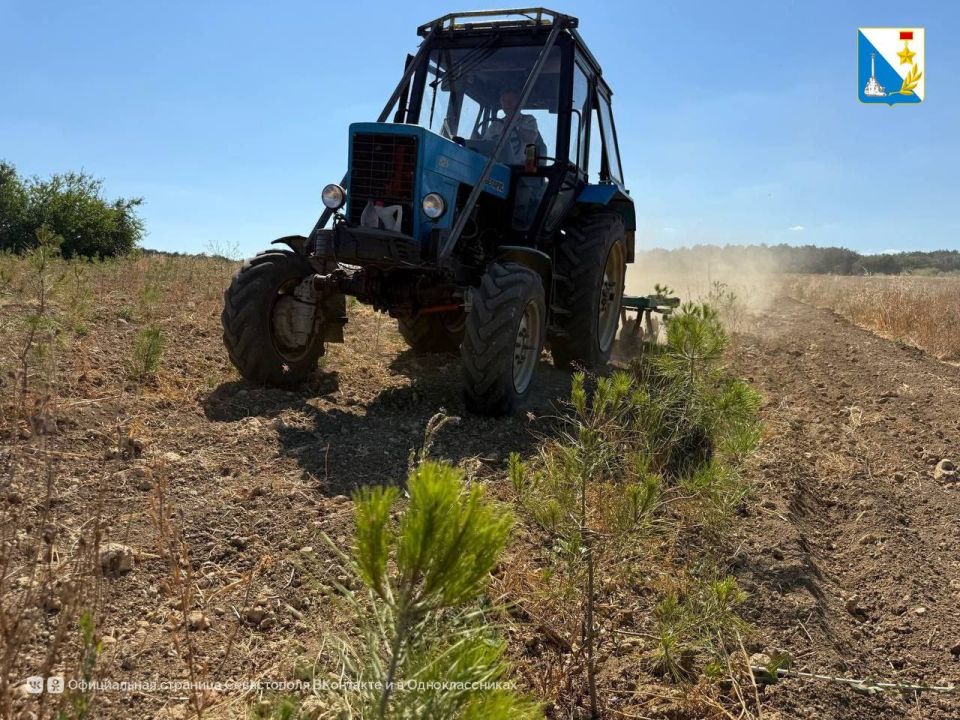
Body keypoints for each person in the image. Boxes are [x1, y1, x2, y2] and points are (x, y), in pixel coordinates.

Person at [482, 88, 542, 166]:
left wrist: (513, 126)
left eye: (511, 100)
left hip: (520, 170)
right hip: (496, 167)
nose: (507, 104)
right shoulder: (495, 125)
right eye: (504, 100)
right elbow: (484, 145)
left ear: (519, 102)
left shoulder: (528, 120)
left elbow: (531, 138)